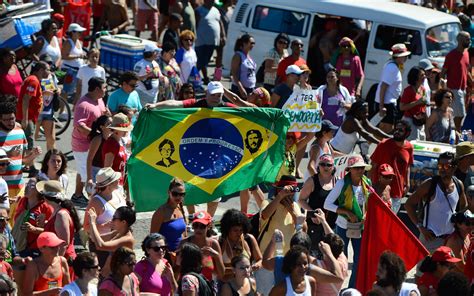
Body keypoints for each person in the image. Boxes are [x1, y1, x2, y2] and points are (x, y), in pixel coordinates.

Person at [324, 154, 372, 288]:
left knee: (359, 260)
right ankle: (338, 286)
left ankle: (351, 288)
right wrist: (346, 212)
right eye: (357, 168)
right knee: (341, 259)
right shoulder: (341, 183)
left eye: (362, 168)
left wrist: (366, 215)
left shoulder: (366, 183)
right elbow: (327, 204)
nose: (360, 171)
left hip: (360, 227)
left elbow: (370, 204)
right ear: (350, 169)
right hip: (343, 226)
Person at [405, 152, 468, 253]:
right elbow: (408, 204)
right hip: (430, 240)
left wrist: (459, 220)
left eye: (447, 166)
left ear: (455, 167)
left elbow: (464, 205)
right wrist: (420, 227)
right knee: (425, 268)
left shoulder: (458, 184)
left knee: (448, 268)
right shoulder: (430, 185)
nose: (442, 169)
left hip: (450, 239)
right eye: (440, 165)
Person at [256, 176, 306, 295]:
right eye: (287, 191)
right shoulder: (267, 202)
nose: (290, 195)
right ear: (279, 190)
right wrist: (280, 196)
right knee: (265, 293)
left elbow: (303, 229)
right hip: (267, 260)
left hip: (287, 262)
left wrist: (293, 213)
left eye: (293, 191)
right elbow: (265, 215)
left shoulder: (295, 206)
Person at [0, 98, 42, 217]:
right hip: (2, 188)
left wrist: (33, 155)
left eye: (12, 118)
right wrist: (8, 156)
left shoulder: (19, 131)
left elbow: (22, 161)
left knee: (16, 223)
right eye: (6, 119)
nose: (10, 122)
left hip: (19, 187)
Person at [72, 77, 109, 203]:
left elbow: (103, 113)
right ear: (97, 89)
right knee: (87, 174)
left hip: (94, 143)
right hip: (82, 145)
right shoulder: (83, 105)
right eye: (104, 87)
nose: (106, 90)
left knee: (82, 170)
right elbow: (79, 125)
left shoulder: (99, 100)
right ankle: (92, 201)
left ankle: (77, 195)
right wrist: (95, 134)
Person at [83, 167, 127, 267]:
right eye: (115, 179)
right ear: (109, 185)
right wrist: (104, 225)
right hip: (103, 245)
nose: (118, 180)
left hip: (119, 240)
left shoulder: (117, 193)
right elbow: (86, 226)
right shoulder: (96, 202)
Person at [370, 120, 414, 213]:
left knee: (391, 222)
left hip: (398, 191)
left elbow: (408, 166)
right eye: (396, 129)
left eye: (401, 130)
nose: (397, 132)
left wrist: (408, 184)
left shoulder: (409, 147)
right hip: (381, 191)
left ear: (408, 133)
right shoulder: (383, 145)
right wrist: (372, 186)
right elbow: (373, 166)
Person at [299, 154, 338, 249]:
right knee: (314, 256)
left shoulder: (337, 182)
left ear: (333, 167)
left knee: (331, 255)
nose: (325, 167)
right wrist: (312, 213)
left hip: (331, 225)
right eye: (322, 164)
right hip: (314, 226)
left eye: (329, 165)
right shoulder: (312, 181)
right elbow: (301, 200)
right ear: (318, 166)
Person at [87, 205, 135, 278]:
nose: (112, 220)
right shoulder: (117, 233)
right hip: (107, 277)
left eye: (114, 218)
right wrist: (95, 223)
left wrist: (93, 223)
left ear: (123, 222)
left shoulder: (127, 239)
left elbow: (100, 246)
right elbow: (93, 239)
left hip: (115, 281)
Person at [38, 180, 81, 261]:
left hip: (62, 259)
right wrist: (45, 224)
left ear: (45, 197)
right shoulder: (58, 210)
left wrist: (56, 263)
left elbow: (64, 244)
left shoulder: (61, 214)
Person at [177, 211, 225, 281]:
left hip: (206, 288)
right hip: (188, 287)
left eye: (202, 226)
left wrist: (216, 256)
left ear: (209, 226)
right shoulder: (184, 244)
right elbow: (177, 270)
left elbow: (222, 274)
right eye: (195, 225)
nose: (198, 229)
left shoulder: (213, 244)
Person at [375, 43, 411, 133]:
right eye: (404, 56)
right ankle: (367, 144)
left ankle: (368, 144)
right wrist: (381, 106)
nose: (406, 58)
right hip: (387, 104)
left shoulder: (392, 65)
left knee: (383, 129)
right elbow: (384, 87)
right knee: (387, 130)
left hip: (389, 102)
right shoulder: (392, 67)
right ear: (398, 57)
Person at [218, 209, 262, 281]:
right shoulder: (220, 242)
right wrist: (238, 270)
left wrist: (256, 265)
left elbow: (260, 259)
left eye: (241, 230)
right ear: (227, 229)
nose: (239, 233)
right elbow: (217, 270)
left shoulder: (249, 239)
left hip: (247, 283)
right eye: (235, 230)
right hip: (226, 285)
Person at [441, 31, 471, 132]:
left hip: (464, 89)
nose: (469, 41)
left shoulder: (466, 53)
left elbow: (466, 70)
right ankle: (456, 133)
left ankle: (454, 132)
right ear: (459, 40)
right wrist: (443, 89)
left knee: (461, 114)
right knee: (461, 114)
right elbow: (443, 72)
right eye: (467, 39)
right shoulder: (451, 55)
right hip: (454, 89)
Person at [17, 61, 50, 154]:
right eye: (48, 70)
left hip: (30, 117)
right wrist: (25, 119)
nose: (49, 72)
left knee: (25, 141)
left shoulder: (34, 80)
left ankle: (25, 163)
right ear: (41, 70)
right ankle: (29, 165)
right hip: (28, 117)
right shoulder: (33, 81)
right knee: (28, 141)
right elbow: (26, 99)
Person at [150, 178, 187, 252]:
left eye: (182, 194)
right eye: (175, 194)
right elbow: (152, 238)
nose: (178, 197)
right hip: (166, 255)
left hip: (180, 254)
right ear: (168, 192)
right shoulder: (161, 211)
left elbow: (184, 235)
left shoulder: (180, 209)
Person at [194, 0, 225, 84]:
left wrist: (223, 35)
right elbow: (195, 25)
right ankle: (194, 78)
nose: (212, 2)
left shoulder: (215, 10)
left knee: (217, 58)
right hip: (202, 41)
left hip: (215, 40)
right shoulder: (199, 10)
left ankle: (216, 77)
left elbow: (220, 22)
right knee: (201, 61)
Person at [102, 113, 132, 185]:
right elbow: (107, 169)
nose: (126, 131)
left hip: (119, 182)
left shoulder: (120, 140)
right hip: (113, 184)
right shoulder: (111, 144)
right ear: (116, 130)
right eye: (124, 129)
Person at [60, 23, 86, 105]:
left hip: (77, 71)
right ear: (73, 32)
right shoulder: (68, 42)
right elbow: (64, 56)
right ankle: (61, 112)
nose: (80, 34)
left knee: (77, 91)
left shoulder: (78, 42)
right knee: (66, 92)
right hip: (69, 70)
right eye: (79, 32)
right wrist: (78, 56)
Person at [400, 66, 428, 140]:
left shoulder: (423, 89)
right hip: (410, 121)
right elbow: (402, 107)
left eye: (424, 74)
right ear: (415, 77)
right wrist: (417, 102)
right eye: (422, 75)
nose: (424, 77)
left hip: (420, 121)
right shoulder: (408, 90)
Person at [86, 115, 112, 187]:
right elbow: (89, 159)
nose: (111, 126)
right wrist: (89, 177)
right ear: (102, 127)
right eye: (108, 124)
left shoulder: (111, 139)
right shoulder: (98, 139)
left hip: (106, 172)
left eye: (112, 123)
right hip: (95, 171)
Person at [230, 34, 256, 99]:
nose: (253, 45)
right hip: (240, 89)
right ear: (244, 43)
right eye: (251, 43)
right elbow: (234, 73)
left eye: (254, 43)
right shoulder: (238, 56)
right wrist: (241, 88)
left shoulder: (249, 57)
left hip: (250, 89)